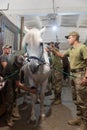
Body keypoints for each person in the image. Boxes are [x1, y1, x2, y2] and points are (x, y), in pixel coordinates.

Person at [48, 31, 87, 130]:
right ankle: (79, 118)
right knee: (75, 98)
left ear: (74, 37)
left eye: (69, 38)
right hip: (73, 74)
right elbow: (61, 55)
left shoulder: (82, 47)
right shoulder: (71, 49)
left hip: (80, 74)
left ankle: (85, 123)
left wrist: (86, 77)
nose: (68, 39)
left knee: (82, 100)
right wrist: (53, 50)